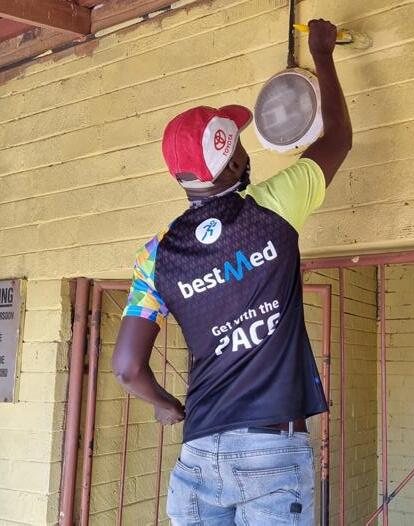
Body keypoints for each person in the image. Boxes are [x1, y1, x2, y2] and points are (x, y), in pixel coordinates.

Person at [112, 19, 352, 525]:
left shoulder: (156, 256)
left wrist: (164, 404)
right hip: (272, 451)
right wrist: (322, 54)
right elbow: (338, 140)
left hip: (199, 451)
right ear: (234, 162)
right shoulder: (274, 208)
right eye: (239, 143)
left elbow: (128, 368)